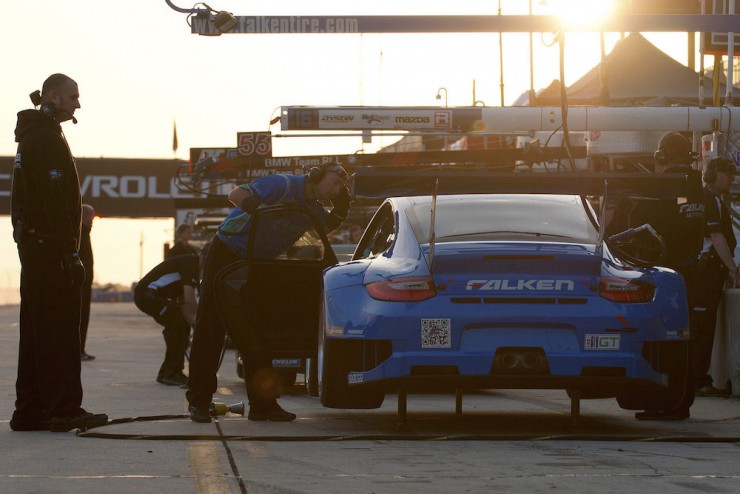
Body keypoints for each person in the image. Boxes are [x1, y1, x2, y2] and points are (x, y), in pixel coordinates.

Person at [186, 162, 350, 423]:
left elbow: (319, 231)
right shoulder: (283, 184)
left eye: (342, 186)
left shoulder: (313, 209)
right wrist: (261, 211)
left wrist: (341, 211)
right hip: (228, 252)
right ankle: (199, 401)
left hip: (258, 263)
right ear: (316, 176)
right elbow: (236, 194)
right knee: (211, 326)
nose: (337, 189)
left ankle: (263, 405)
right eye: (335, 183)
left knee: (256, 330)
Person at [9, 73, 108, 432]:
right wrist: (70, 251)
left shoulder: (32, 135)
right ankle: (64, 409)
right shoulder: (45, 138)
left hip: (35, 247)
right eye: (72, 97)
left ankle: (30, 411)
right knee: (59, 331)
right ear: (52, 96)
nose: (77, 104)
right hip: (49, 248)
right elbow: (54, 199)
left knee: (36, 331)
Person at [607, 132, 705, 421]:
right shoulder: (698, 188)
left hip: (666, 276)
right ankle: (682, 402)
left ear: (662, 157)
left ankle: (665, 402)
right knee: (687, 341)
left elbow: (636, 223)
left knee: (665, 340)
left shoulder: (663, 188)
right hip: (692, 272)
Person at [693, 157, 739, 394]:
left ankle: (700, 377)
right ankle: (698, 380)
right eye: (726, 173)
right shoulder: (707, 200)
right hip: (706, 273)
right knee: (701, 326)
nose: (731, 178)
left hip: (712, 273)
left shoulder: (716, 201)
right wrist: (733, 268)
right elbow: (716, 237)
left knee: (706, 325)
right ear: (712, 175)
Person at [134, 254, 200, 386]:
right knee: (178, 326)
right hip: (147, 295)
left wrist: (194, 325)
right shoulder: (192, 264)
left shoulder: (189, 266)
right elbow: (189, 298)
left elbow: (181, 303)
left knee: (182, 326)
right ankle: (171, 373)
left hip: (150, 296)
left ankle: (167, 373)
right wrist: (202, 322)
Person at [79, 204, 96, 361]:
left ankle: (80, 349)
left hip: (86, 284)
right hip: (79, 285)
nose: (93, 220)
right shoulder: (79, 234)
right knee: (80, 318)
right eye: (91, 216)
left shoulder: (85, 234)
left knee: (84, 318)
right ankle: (77, 350)